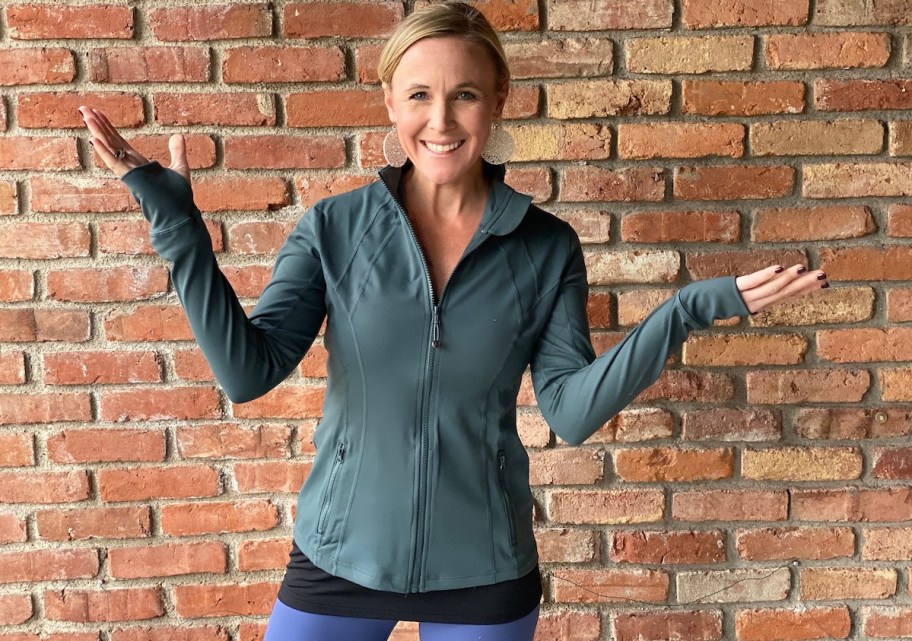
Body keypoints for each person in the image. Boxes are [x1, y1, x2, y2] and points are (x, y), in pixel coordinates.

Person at [79, 3, 829, 639]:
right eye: (419, 97)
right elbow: (248, 373)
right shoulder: (336, 229)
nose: (440, 121)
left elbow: (568, 412)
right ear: (390, 103)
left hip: (486, 572)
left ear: (498, 99)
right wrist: (177, 225)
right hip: (340, 559)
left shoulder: (545, 246)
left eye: (464, 96)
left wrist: (688, 309)